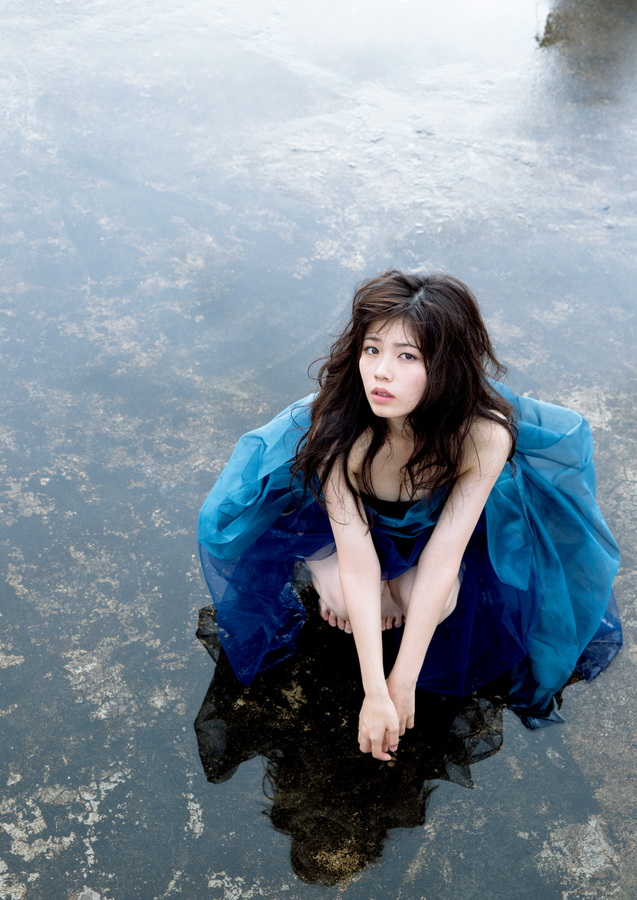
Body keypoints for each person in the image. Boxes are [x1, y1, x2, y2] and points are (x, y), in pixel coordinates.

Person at [198, 270, 622, 762]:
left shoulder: (483, 436)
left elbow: (445, 557)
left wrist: (403, 682)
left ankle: (393, 584)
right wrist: (373, 691)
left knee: (438, 602)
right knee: (346, 598)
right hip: (338, 528)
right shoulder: (338, 432)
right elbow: (357, 558)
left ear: (446, 367)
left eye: (407, 356)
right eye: (372, 349)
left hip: (425, 526)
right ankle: (318, 564)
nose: (381, 373)